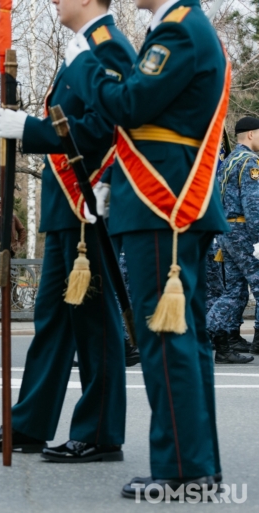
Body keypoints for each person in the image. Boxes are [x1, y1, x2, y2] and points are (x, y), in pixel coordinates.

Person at [63, 0, 228, 496]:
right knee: (185, 341)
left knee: (167, 342)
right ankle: (198, 464)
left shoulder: (179, 31)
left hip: (163, 200)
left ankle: (182, 472)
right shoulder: (181, 28)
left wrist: (83, 60)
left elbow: (129, 105)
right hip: (168, 197)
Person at [0, 0, 133, 460]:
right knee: (53, 322)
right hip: (66, 206)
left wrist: (31, 128)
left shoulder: (108, 47)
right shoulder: (81, 48)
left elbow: (107, 128)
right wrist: (31, 128)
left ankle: (101, 433)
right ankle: (30, 424)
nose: (54, 1)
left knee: (95, 324)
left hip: (90, 202)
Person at [205, 117, 259, 362]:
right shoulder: (250, 162)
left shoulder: (227, 161)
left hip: (226, 232)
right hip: (244, 234)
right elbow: (253, 205)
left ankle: (202, 335)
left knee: (234, 293)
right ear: (250, 135)